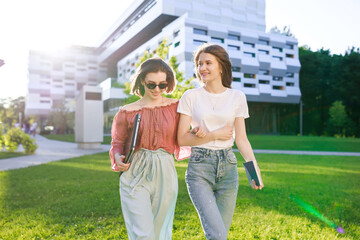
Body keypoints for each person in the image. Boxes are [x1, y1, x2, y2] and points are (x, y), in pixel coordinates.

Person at [177, 43, 264, 240]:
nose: (202, 68)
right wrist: (213, 135)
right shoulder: (190, 96)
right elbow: (181, 138)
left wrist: (254, 170)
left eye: (208, 63)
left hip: (228, 168)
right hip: (199, 169)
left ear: (221, 66)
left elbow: (241, 139)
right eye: (199, 64)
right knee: (217, 235)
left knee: (220, 235)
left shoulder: (237, 97)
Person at [109, 57, 189, 240]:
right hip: (135, 171)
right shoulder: (126, 111)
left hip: (165, 169)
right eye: (151, 85)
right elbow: (117, 143)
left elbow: (186, 134)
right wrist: (118, 157)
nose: (157, 90)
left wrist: (199, 131)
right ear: (142, 81)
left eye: (163, 85)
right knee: (142, 234)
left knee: (161, 233)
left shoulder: (177, 107)